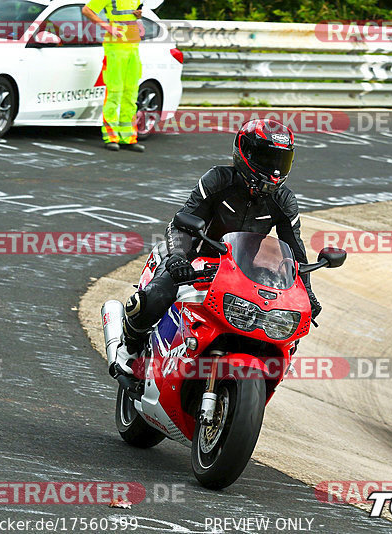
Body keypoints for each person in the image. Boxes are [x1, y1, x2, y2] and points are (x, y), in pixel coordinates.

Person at [110, 119, 321, 377]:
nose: (275, 170)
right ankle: (129, 348)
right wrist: (178, 259)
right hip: (196, 261)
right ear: (246, 153)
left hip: (241, 272)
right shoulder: (218, 180)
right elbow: (181, 223)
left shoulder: (283, 200)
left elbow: (295, 253)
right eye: (268, 158)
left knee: (284, 325)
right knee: (155, 297)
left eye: (281, 161)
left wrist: (306, 294)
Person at [82, 0, 145, 152]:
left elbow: (132, 17)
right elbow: (87, 10)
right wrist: (107, 27)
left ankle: (128, 137)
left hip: (133, 47)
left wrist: (138, 15)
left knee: (130, 94)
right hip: (115, 49)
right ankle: (111, 137)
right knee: (114, 93)